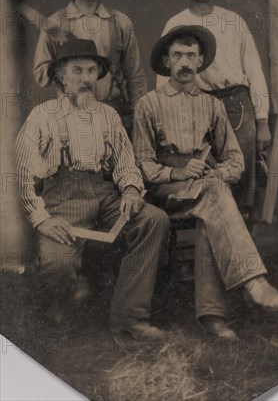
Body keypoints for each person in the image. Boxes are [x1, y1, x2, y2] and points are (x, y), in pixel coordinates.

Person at [134, 25, 278, 341]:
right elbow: (142, 165)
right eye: (177, 55)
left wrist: (215, 174)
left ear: (201, 61)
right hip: (166, 193)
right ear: (166, 62)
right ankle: (254, 283)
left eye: (191, 55)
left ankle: (212, 318)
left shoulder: (213, 105)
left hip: (206, 190)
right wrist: (176, 174)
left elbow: (235, 161)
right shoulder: (148, 104)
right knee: (216, 197)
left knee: (213, 203)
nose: (184, 62)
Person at [16, 38, 169, 341]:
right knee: (58, 264)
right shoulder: (42, 116)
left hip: (104, 197)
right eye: (77, 70)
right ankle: (54, 322)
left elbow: (125, 163)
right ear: (61, 74)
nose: (86, 78)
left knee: (153, 219)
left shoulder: (108, 116)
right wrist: (42, 219)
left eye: (91, 70)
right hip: (61, 202)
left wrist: (131, 191)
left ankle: (129, 317)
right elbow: (20, 175)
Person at [157, 0, 271, 217]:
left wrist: (263, 122)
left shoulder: (234, 21)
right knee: (204, 177)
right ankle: (211, 247)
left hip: (237, 107)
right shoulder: (176, 24)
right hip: (197, 107)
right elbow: (164, 77)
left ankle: (243, 247)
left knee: (241, 175)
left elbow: (255, 72)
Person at [33, 0, 147, 130]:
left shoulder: (120, 22)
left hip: (114, 110)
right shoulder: (56, 23)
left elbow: (135, 76)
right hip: (70, 113)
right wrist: (64, 62)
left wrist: (139, 117)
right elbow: (40, 74)